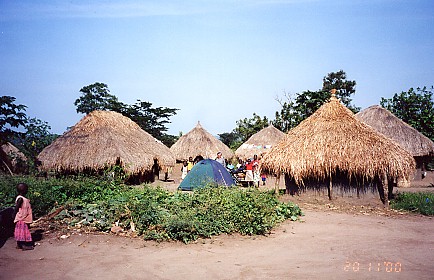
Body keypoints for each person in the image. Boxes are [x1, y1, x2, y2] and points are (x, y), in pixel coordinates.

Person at [14, 183, 34, 250]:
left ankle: (19, 245)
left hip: (23, 218)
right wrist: (13, 215)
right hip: (21, 218)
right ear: (24, 190)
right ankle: (23, 245)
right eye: (26, 189)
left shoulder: (23, 199)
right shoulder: (20, 199)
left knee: (20, 231)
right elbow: (16, 208)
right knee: (22, 232)